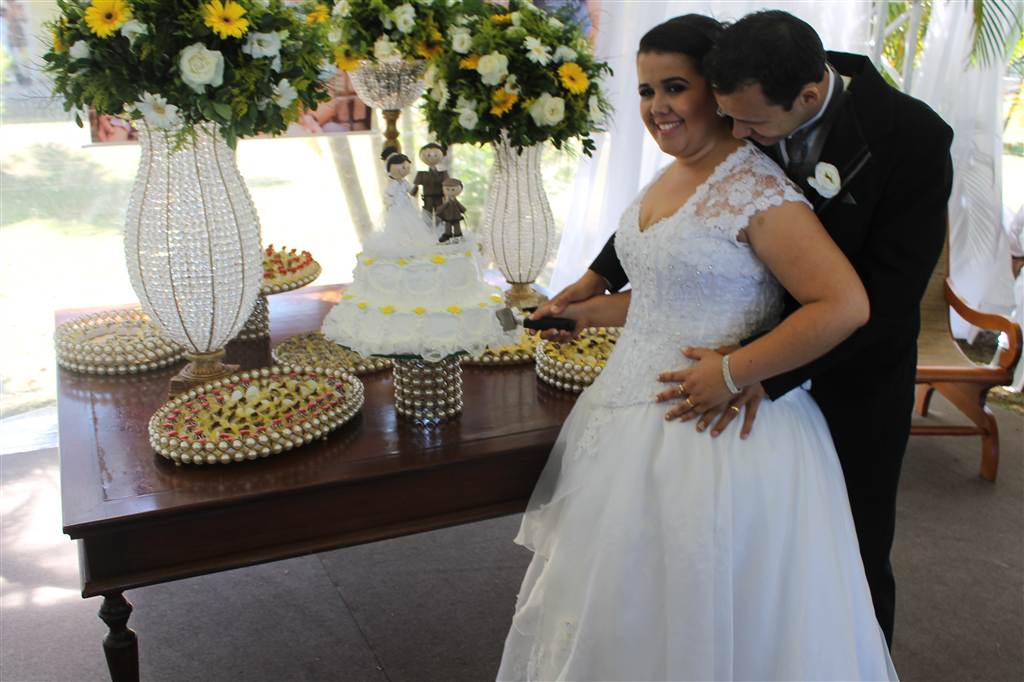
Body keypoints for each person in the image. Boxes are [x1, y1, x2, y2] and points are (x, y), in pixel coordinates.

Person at [537, 9, 954, 648]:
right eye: (729, 116)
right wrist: (596, 281)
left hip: (850, 379)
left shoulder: (911, 138)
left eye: (752, 124)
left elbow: (884, 302)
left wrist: (755, 368)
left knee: (846, 559)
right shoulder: (750, 82)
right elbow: (693, 217)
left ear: (809, 96)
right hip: (727, 353)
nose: (739, 134)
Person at [360, 148, 436, 257]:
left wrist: (416, 188)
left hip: (406, 205)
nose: (406, 170)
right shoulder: (393, 184)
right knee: (397, 225)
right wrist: (389, 202)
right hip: (397, 207)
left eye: (408, 167)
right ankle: (399, 243)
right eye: (404, 167)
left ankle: (410, 242)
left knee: (411, 223)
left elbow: (411, 191)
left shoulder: (404, 182)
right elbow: (389, 195)